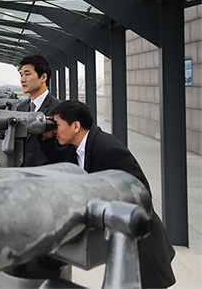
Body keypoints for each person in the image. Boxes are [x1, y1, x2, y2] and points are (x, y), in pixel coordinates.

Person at [39, 100, 176, 288]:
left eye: (58, 125)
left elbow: (141, 191)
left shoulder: (108, 149)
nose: (55, 130)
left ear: (76, 126)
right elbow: (58, 162)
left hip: (139, 239)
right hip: (120, 239)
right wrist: (45, 137)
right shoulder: (76, 148)